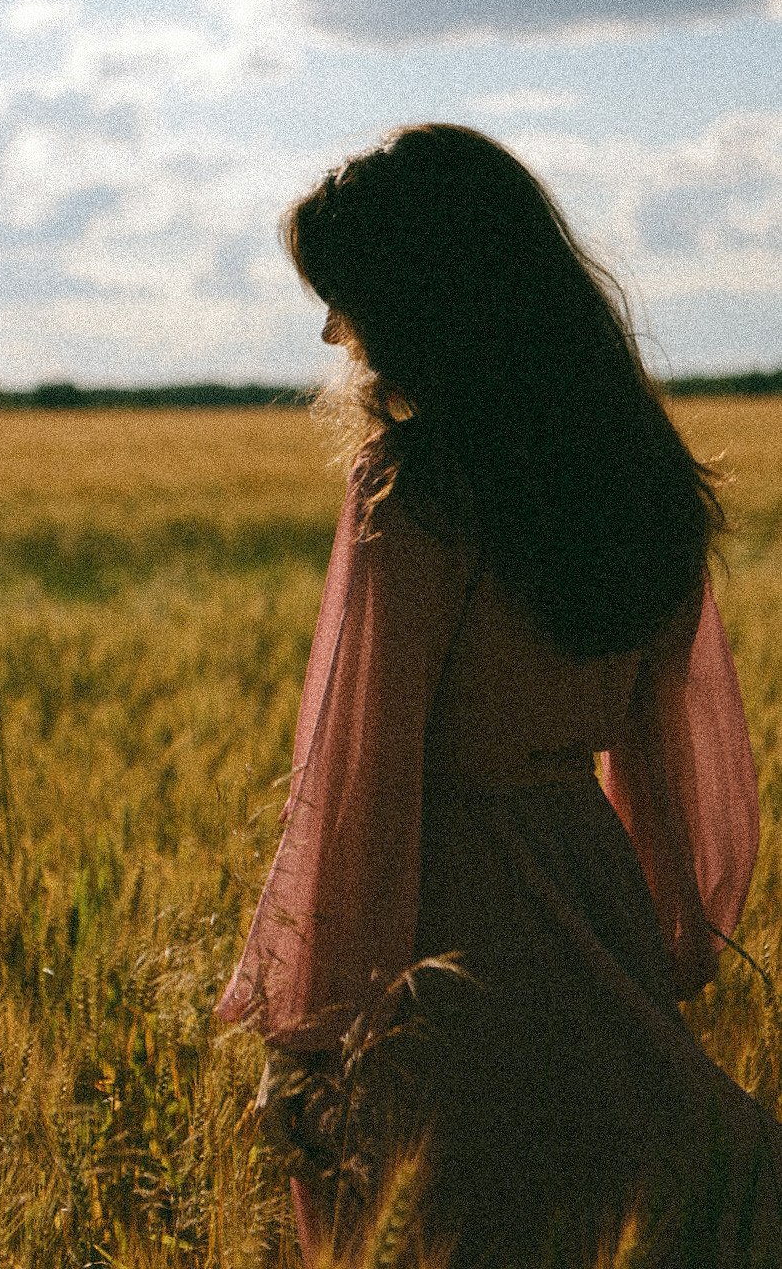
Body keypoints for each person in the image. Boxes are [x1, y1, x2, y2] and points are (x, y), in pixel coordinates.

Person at [216, 125, 782, 1265]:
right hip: (589, 871)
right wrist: (658, 926)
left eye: (344, 296)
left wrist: (313, 1027)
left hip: (446, 910)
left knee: (461, 1224)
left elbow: (359, 767)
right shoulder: (643, 479)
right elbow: (671, 754)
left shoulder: (417, 487)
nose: (332, 331)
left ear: (421, 300)